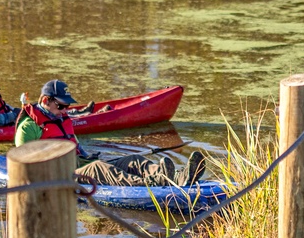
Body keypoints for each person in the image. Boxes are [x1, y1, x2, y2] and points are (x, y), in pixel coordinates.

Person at [14, 79, 206, 187]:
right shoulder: (28, 128)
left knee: (132, 160)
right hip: (59, 176)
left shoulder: (61, 119)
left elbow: (77, 149)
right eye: (62, 105)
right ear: (46, 100)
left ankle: (175, 177)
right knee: (97, 168)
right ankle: (154, 183)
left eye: (68, 105)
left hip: (79, 165)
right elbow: (26, 167)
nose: (66, 109)